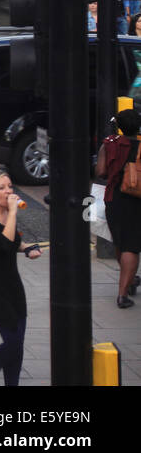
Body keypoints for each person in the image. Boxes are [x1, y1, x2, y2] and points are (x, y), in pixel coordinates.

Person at [0, 170, 42, 385]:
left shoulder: (5, 214)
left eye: (10, 186)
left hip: (12, 284)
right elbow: (2, 244)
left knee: (18, 344)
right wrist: (12, 213)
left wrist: (27, 248)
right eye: (1, 188)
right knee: (11, 342)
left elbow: (13, 242)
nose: (8, 191)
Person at [96, 108, 141, 309]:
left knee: (121, 242)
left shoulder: (109, 144)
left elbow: (101, 172)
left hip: (114, 199)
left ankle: (129, 281)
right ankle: (123, 295)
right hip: (137, 200)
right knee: (131, 246)